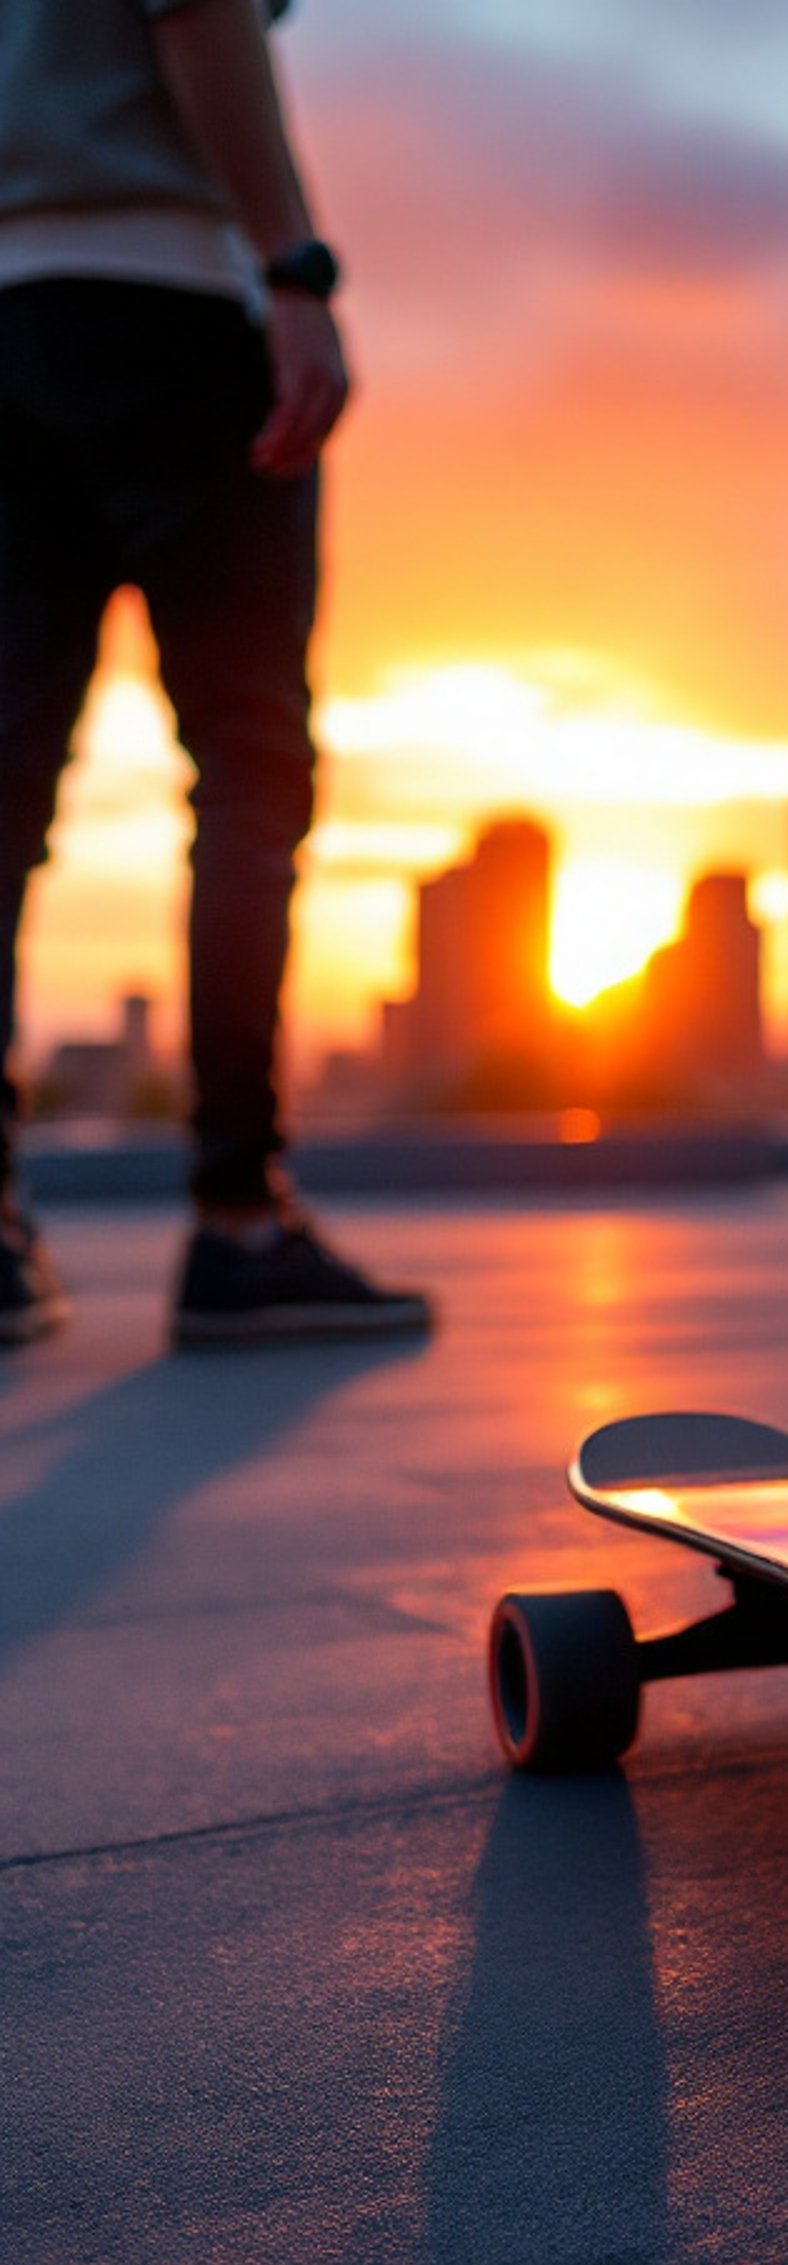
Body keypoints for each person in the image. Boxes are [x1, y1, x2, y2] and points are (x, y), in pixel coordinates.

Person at [0, 0, 430, 1345]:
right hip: (174, 302)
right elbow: (197, 9)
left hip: (8, 312)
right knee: (248, 767)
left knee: (6, 776)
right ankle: (243, 1221)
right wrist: (291, 270)